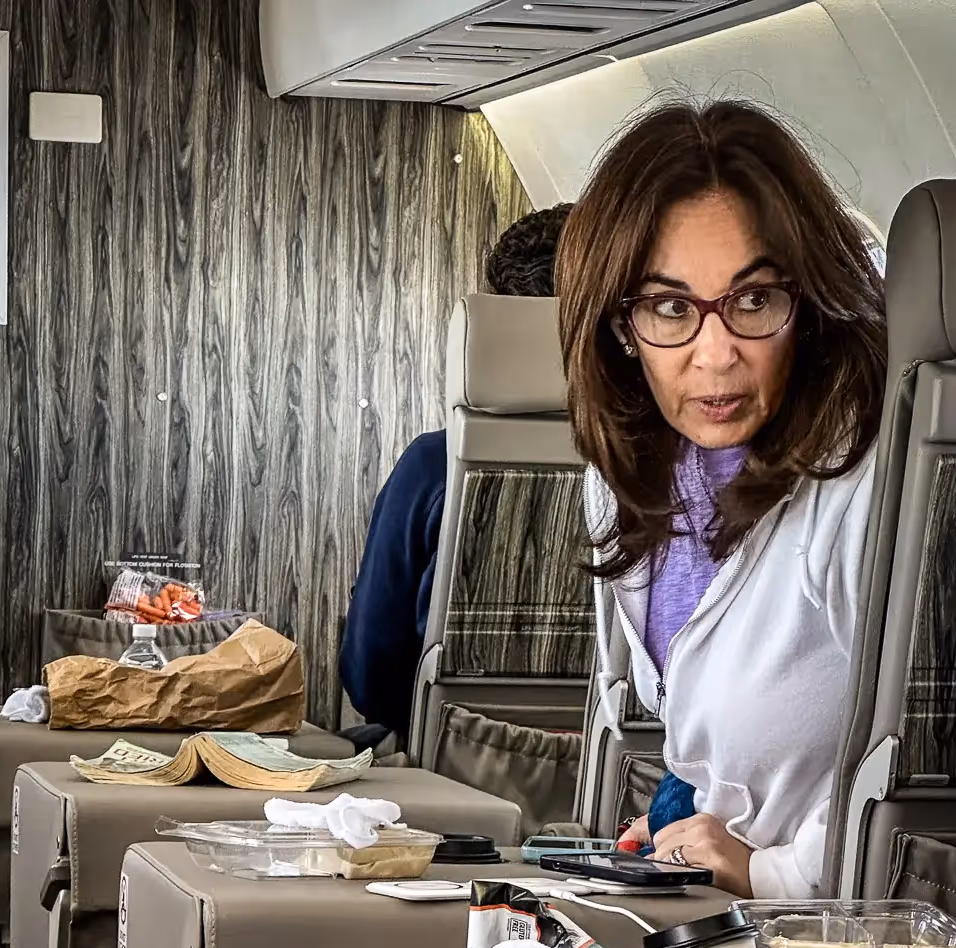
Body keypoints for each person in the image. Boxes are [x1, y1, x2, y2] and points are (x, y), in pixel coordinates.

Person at [555, 100, 887, 897]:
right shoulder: (626, 477)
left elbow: (941, 771)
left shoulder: (867, 479)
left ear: (808, 304)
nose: (715, 355)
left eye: (754, 300)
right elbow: (707, 742)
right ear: (620, 327)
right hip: (731, 926)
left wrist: (768, 871)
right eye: (671, 308)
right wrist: (680, 822)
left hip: (851, 945)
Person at [340, 204, 573, 742]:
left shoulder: (434, 467)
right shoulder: (678, 470)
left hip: (452, 759)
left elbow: (371, 674)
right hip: (634, 779)